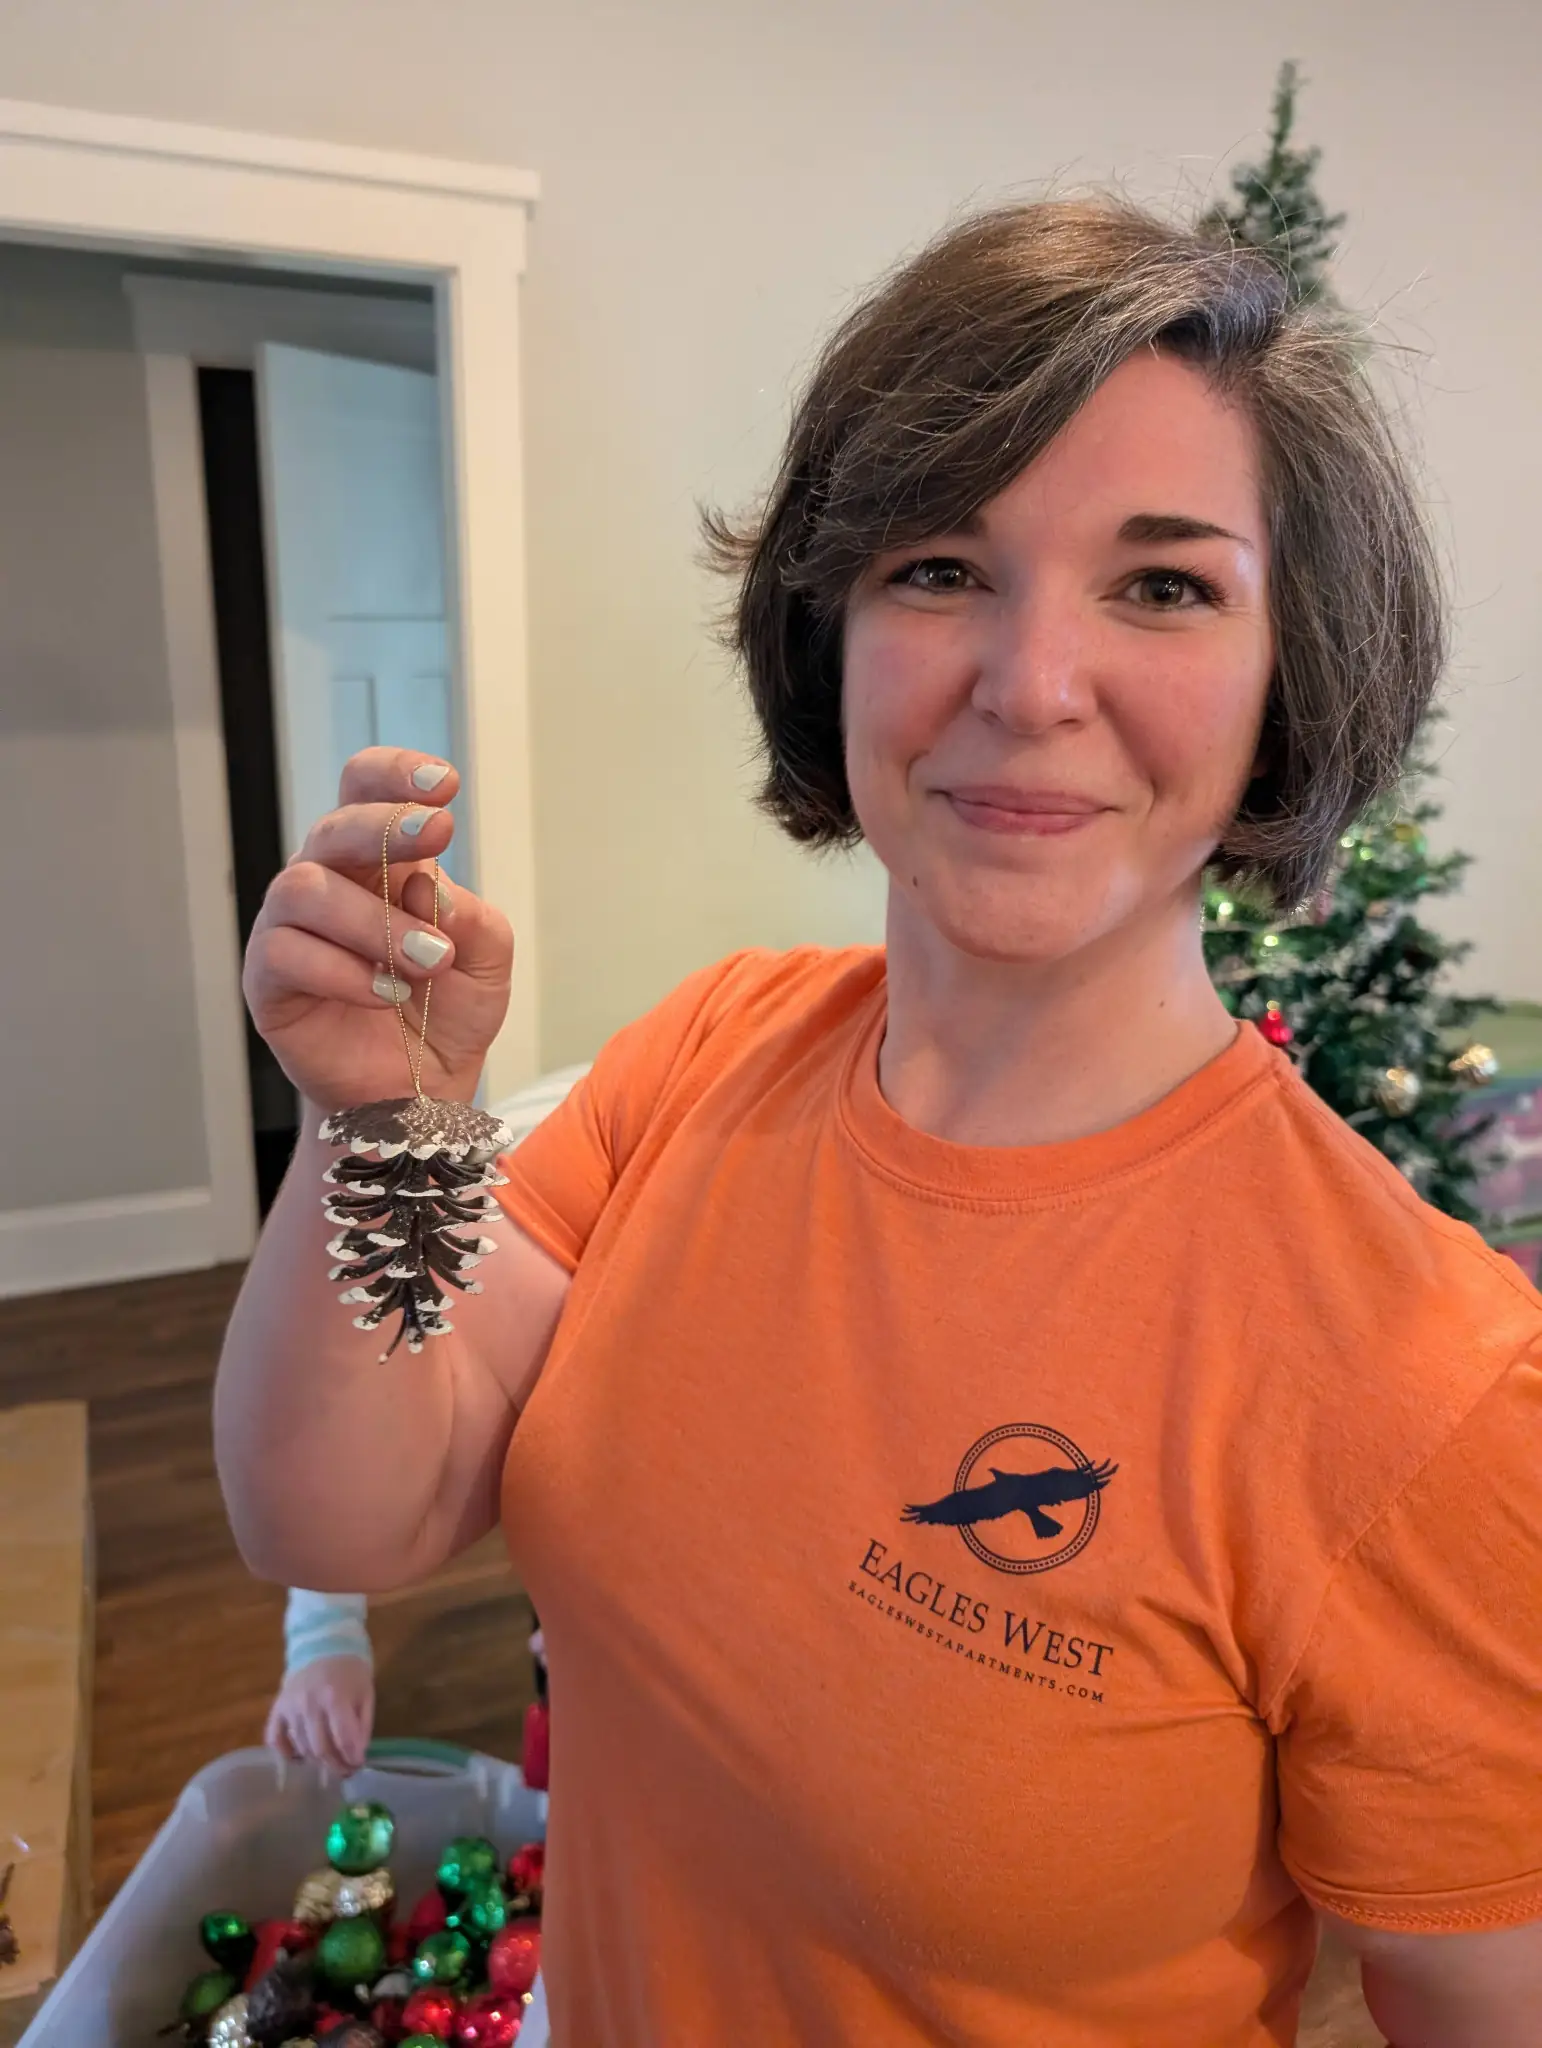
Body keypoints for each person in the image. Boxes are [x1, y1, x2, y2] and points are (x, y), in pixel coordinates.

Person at [216, 191, 1542, 2046]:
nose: (1029, 683)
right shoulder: (700, 1058)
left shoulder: (1419, 1381)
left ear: (1282, 678)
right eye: (938, 565)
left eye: (1161, 585)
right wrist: (377, 1132)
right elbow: (338, 1500)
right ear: (826, 625)